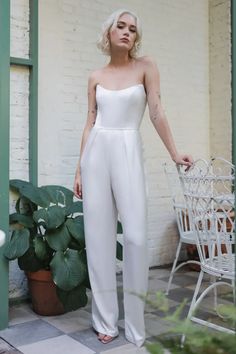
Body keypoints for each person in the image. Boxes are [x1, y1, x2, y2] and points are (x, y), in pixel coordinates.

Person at [73, 8, 193, 347]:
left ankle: (136, 325)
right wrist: (79, 169)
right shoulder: (95, 75)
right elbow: (89, 122)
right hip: (96, 153)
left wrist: (174, 152)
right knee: (98, 239)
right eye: (120, 26)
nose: (127, 32)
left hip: (127, 148)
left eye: (132, 29)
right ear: (109, 32)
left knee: (137, 238)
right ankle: (105, 321)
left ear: (136, 37)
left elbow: (156, 111)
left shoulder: (146, 67)